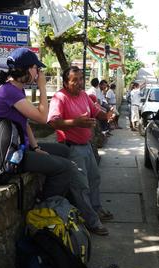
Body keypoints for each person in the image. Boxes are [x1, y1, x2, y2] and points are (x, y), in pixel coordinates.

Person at [0, 47, 73, 200]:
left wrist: (35, 147)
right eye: (36, 68)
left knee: (64, 151)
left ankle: (56, 197)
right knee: (65, 168)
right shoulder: (9, 92)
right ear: (27, 69)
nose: (39, 72)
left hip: (21, 145)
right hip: (10, 153)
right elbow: (43, 118)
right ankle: (45, 204)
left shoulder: (17, 90)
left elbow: (24, 123)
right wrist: (42, 87)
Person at [48, 66, 114, 236]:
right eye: (74, 80)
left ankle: (96, 209)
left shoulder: (84, 95)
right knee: (81, 187)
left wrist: (106, 116)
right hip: (71, 148)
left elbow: (95, 111)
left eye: (80, 79)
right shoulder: (59, 97)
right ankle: (92, 222)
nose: (79, 83)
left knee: (94, 179)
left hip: (86, 146)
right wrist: (75, 122)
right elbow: (53, 122)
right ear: (65, 82)